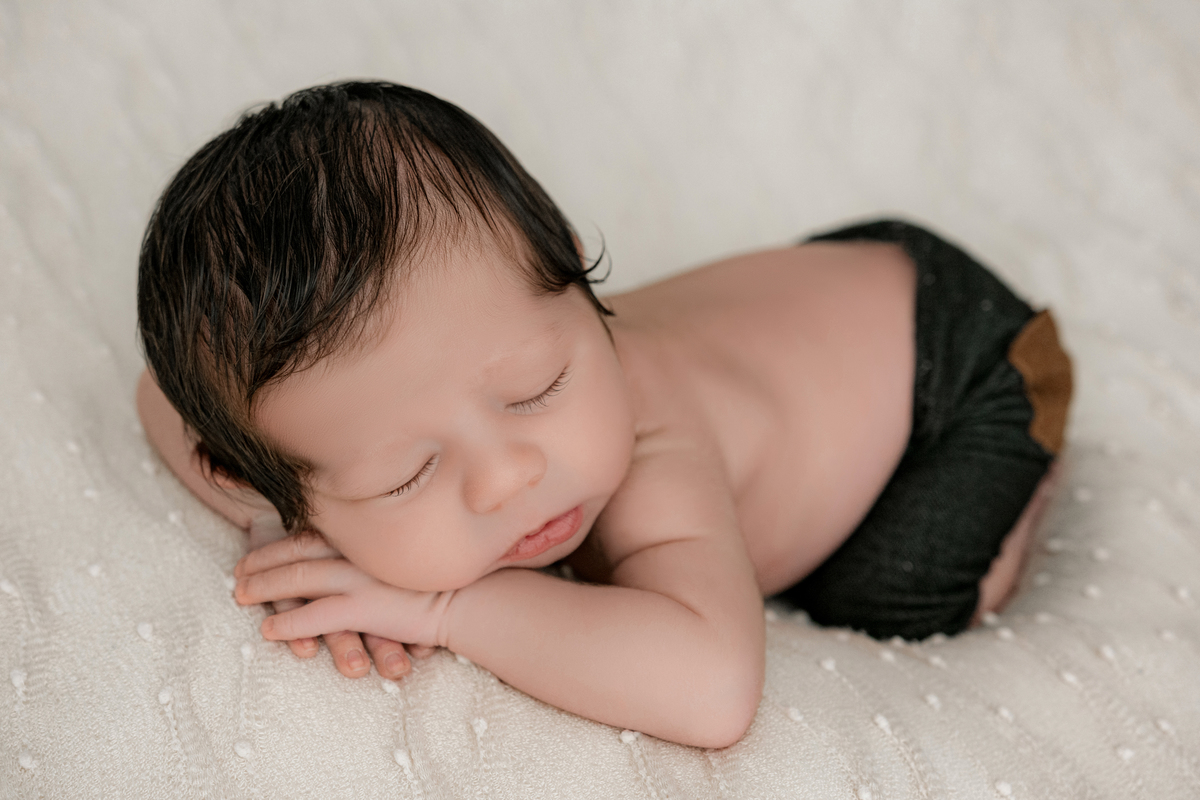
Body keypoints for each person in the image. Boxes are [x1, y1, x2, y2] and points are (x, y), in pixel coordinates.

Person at [135, 81, 1072, 749]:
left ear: (581, 279)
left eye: (537, 387)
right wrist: (290, 529)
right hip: (817, 302)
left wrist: (445, 606)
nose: (510, 474)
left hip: (959, 369)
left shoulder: (655, 453)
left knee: (885, 597)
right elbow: (160, 397)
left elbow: (713, 689)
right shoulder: (336, 420)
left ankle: (1035, 467)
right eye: (405, 474)